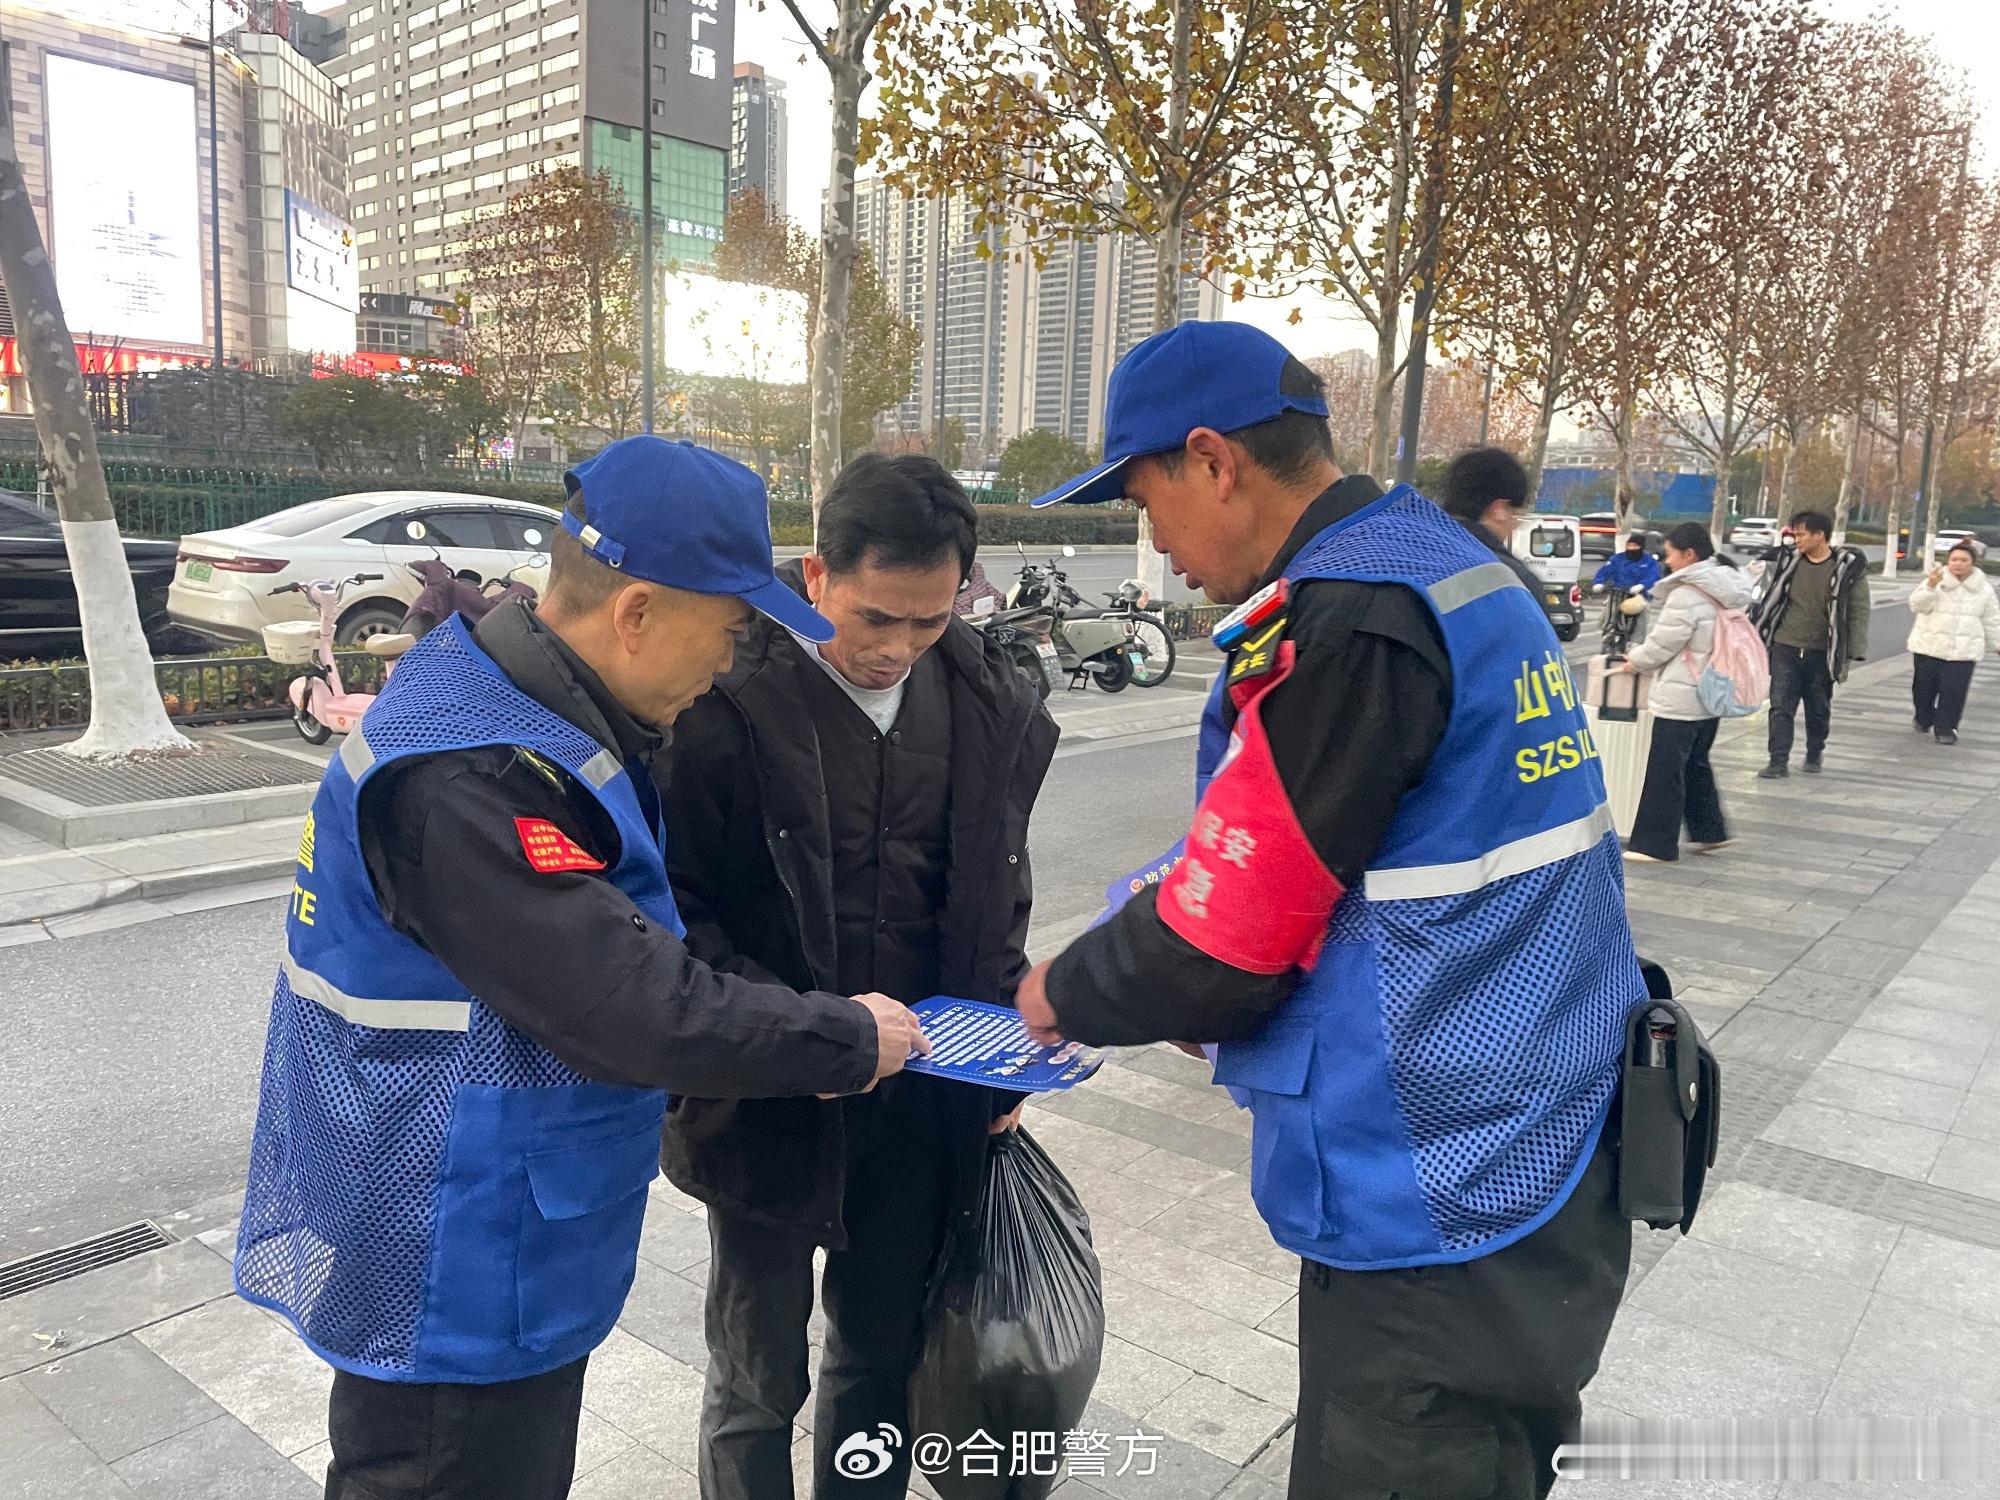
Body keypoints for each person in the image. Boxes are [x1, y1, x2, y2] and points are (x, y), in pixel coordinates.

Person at [1014, 321, 1645, 1500]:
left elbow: (1223, 946)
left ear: (1211, 461)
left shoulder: (1350, 617)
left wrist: (1056, 991)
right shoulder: (1445, 565)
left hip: (1440, 1184)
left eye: (1143, 497)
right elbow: (1357, 836)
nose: (1148, 537)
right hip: (1540, 1131)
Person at [232, 436, 929, 1500]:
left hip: (487, 1235)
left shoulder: (528, 714)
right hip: (445, 1257)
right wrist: (844, 1037)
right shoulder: (469, 776)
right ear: (637, 612)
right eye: (729, 631)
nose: (732, 662)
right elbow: (632, 1004)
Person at [657, 452, 1058, 1500]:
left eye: (929, 622)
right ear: (815, 574)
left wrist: (1001, 1063)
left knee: (879, 1357)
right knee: (756, 1377)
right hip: (768, 1093)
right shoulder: (717, 698)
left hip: (922, 1101)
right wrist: (795, 1031)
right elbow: (673, 914)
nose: (897, 649)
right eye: (875, 617)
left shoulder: (985, 696)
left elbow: (993, 893)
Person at [1619, 523, 1754, 863]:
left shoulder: (1688, 593)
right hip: (1713, 690)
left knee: (1666, 769)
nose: (1668, 562)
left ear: (1689, 554)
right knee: (1695, 763)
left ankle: (1654, 844)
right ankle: (1710, 831)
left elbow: (1665, 642)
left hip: (1681, 696)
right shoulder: (1729, 585)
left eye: (1670, 554)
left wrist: (1635, 661)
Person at [1753, 509, 1869, 778]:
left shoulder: (1847, 568)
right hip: (1785, 645)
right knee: (1780, 706)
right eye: (1795, 535)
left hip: (1822, 650)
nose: (1797, 540)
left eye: (1802, 535)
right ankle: (1777, 761)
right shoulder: (1787, 562)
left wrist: (1855, 649)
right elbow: (1767, 597)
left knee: (1818, 708)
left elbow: (1859, 609)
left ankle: (1815, 752)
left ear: (1820, 536)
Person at [1907, 540, 2000, 746]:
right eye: (1954, 559)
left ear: (1973, 563)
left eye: (1963, 560)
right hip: (1928, 647)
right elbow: (1916, 605)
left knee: (1954, 692)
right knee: (1923, 689)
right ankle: (1923, 717)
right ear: (1948, 561)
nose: (1958, 564)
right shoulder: (1936, 581)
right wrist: (1930, 586)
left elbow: (1992, 619)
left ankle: (1946, 728)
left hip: (1963, 652)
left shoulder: (1984, 589)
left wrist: (1997, 644)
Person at [1438, 445, 1541, 591]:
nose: (1515, 526)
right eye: (1516, 514)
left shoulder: (1411, 553)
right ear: (1499, 510)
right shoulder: (1513, 580)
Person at [1593, 532, 1662, 596]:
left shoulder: (1649, 561)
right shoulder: (1617, 559)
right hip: (1617, 594)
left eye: (1635, 546)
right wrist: (1599, 582)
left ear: (1641, 547)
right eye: (1629, 545)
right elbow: (1605, 571)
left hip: (1641, 595)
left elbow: (1653, 576)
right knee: (1610, 608)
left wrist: (1642, 585)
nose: (1632, 548)